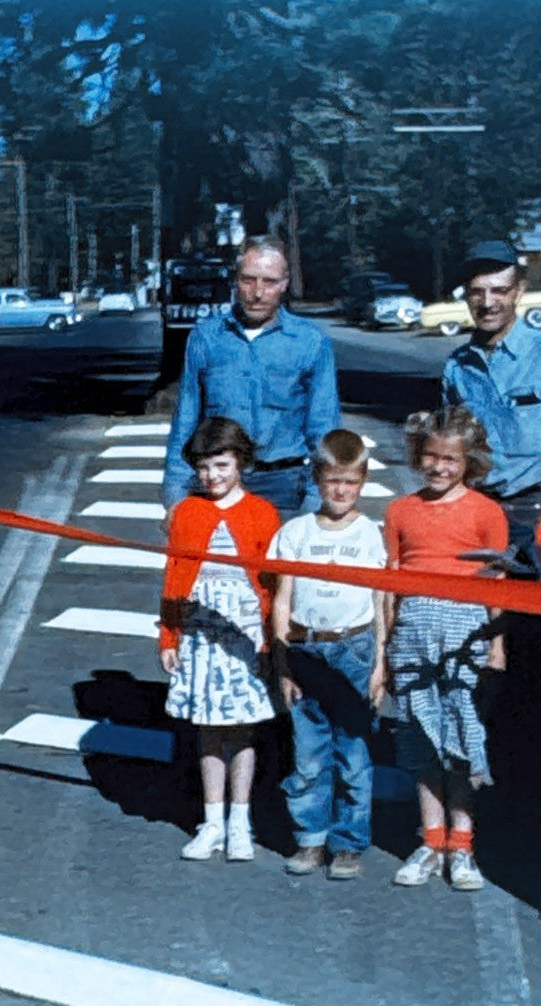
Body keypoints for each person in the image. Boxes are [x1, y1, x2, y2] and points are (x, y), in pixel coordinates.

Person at [438, 240, 541, 847]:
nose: (489, 302)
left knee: (538, 668)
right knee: (473, 663)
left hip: (539, 521)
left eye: (500, 289)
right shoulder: (456, 367)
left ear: (519, 291)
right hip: (478, 524)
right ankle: (486, 810)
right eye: (477, 292)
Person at [383, 407, 509, 891]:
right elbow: (388, 588)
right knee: (421, 744)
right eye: (431, 456)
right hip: (412, 635)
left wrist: (496, 649)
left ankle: (462, 845)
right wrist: (385, 651)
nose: (439, 467)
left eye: (450, 459)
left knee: (460, 742)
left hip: (465, 637)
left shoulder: (486, 512)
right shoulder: (400, 511)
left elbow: (497, 586)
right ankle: (430, 841)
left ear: (469, 461)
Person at [159, 416, 283, 862]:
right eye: (205, 467)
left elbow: (273, 584)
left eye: (222, 465)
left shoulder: (262, 514)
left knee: (242, 728)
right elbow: (174, 576)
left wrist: (273, 644)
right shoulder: (188, 512)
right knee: (208, 729)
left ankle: (240, 821)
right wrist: (168, 636)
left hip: (245, 635)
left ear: (242, 464)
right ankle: (211, 821)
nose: (213, 476)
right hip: (200, 634)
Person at [270, 430, 388, 881]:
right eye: (333, 480)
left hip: (354, 648)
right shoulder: (294, 533)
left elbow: (381, 602)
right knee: (309, 754)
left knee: (354, 753)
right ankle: (310, 838)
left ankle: (349, 843)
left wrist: (380, 663)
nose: (341, 491)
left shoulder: (370, 536)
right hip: (306, 647)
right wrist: (282, 663)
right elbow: (283, 599)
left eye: (351, 482)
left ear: (362, 482)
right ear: (317, 478)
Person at [162, 235, 341, 519]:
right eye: (248, 279)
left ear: (284, 284)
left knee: (275, 565)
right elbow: (186, 420)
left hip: (284, 486)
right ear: (235, 280)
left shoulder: (310, 342)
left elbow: (324, 428)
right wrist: (175, 495)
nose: (258, 292)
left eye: (269, 282)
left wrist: (316, 497)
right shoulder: (206, 338)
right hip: (216, 482)